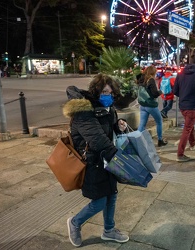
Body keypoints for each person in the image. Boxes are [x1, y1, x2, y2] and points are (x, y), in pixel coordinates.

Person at [63, 74, 130, 247]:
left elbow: (107, 129)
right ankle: (75, 223)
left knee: (112, 196)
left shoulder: (108, 108)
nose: (109, 96)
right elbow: (96, 138)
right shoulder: (83, 111)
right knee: (99, 201)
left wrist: (118, 125)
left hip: (107, 159)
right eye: (105, 92)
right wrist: (119, 159)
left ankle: (109, 230)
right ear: (96, 91)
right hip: (92, 162)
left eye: (111, 93)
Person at [173, 54, 195, 162]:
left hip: (182, 105)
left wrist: (183, 95)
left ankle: (193, 143)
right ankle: (180, 154)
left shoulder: (181, 73)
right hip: (192, 105)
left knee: (189, 125)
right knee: (187, 129)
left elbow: (175, 91)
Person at [137, 65, 168, 147]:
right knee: (159, 121)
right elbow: (154, 94)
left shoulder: (141, 79)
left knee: (142, 124)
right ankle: (160, 140)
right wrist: (160, 92)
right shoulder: (151, 80)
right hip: (151, 105)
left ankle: (136, 141)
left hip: (143, 105)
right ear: (153, 72)